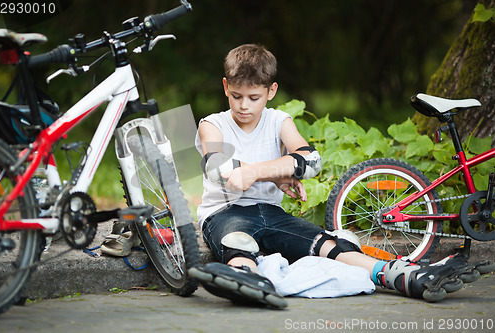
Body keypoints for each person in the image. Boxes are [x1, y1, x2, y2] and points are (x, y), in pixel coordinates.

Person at [189, 44, 493, 309]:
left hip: (272, 213)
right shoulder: (212, 124)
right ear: (226, 86)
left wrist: (256, 172)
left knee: (328, 244)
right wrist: (277, 172)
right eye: (237, 96)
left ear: (271, 91)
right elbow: (220, 169)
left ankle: (400, 275)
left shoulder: (278, 120)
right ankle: (246, 280)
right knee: (237, 241)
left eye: (253, 97)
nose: (244, 106)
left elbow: (310, 161)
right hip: (225, 214)